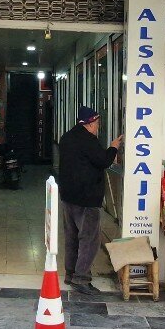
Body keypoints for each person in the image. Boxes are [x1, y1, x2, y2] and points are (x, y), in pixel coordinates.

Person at [57, 106, 123, 295]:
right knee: (89, 240)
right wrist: (113, 147)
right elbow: (103, 161)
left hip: (68, 197)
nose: (98, 127)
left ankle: (70, 274)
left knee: (71, 237)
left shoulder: (67, 137)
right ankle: (81, 278)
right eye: (97, 123)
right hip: (87, 200)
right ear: (91, 123)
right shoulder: (88, 140)